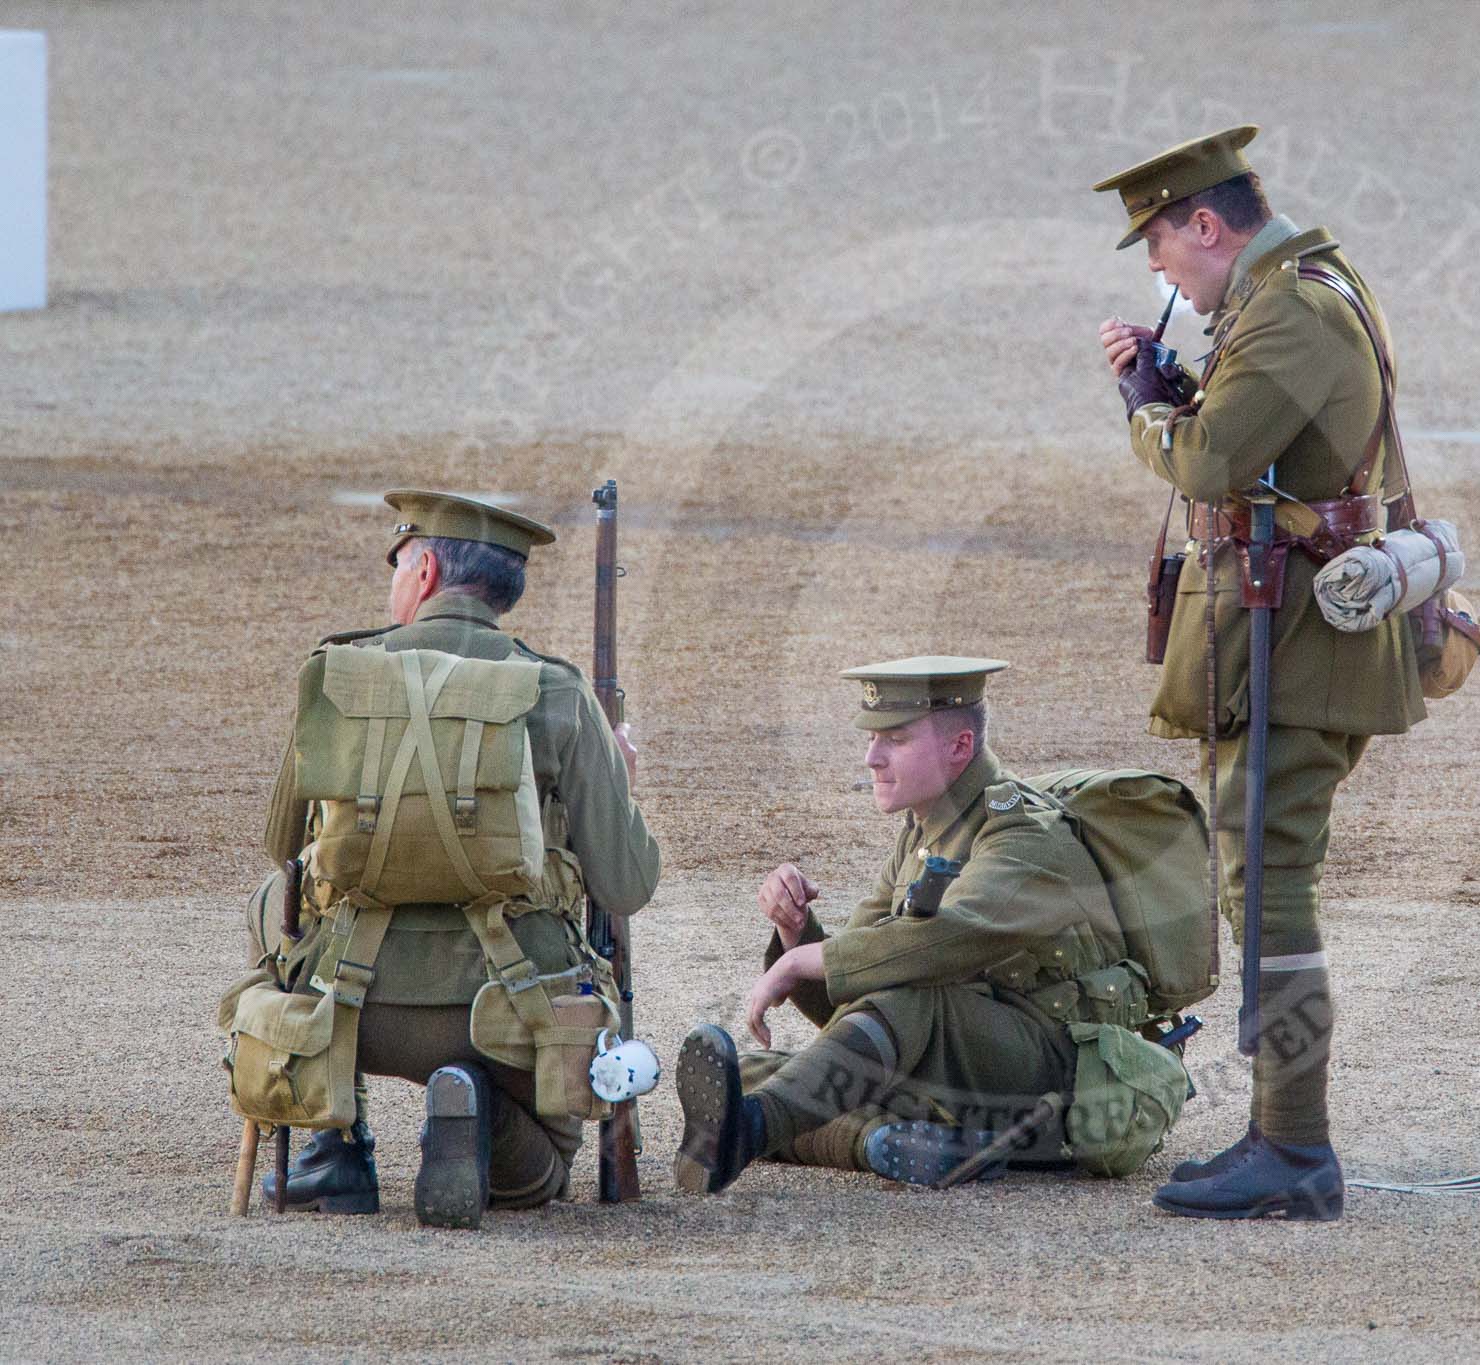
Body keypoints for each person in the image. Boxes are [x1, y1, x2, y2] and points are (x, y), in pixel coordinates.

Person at [1093, 127, 1426, 1220]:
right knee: (1263, 881)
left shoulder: (1287, 307)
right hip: (1285, 631)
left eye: (1161, 251)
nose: (1161, 276)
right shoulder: (1303, 289)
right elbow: (1265, 446)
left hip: (1294, 640)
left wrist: (1148, 408)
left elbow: (1211, 464)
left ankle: (1292, 1149)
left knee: (1270, 887)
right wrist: (1185, 385)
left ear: (1205, 224)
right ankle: (1278, 1138)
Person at [248, 489, 660, 1224]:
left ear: (428, 568)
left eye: (399, 563)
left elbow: (283, 847)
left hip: (353, 1001)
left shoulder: (337, 671)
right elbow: (626, 883)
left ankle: (336, 1145)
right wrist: (617, 782)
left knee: (259, 903)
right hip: (513, 1010)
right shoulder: (559, 689)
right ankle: (472, 1110)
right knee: (542, 1173)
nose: (395, 580)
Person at [671, 657, 1143, 1192]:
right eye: (872, 739)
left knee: (900, 1006)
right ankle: (883, 1144)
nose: (872, 758)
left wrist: (804, 960)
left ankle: (749, 1134)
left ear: (959, 747)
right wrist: (796, 932)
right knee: (761, 1075)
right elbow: (850, 1003)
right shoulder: (925, 829)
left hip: (1054, 1079)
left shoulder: (1022, 834)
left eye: (894, 740)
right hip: (956, 1064)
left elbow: (947, 939)